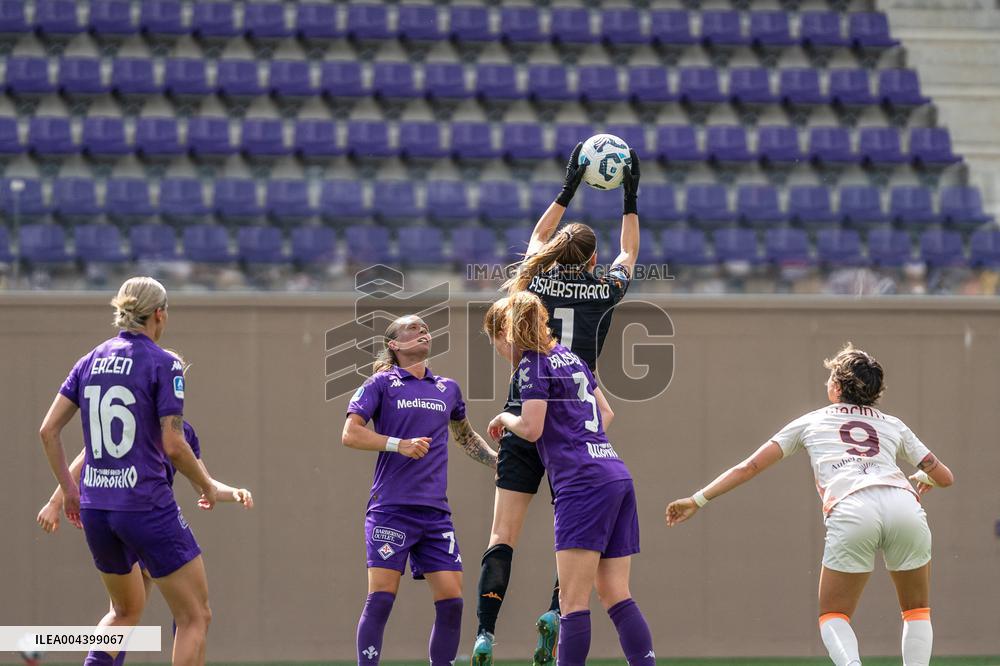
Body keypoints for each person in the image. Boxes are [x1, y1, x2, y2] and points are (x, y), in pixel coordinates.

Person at [666, 344, 954, 666]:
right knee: (916, 611)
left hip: (852, 507)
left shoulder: (811, 422)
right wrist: (924, 479)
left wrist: (698, 499)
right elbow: (945, 477)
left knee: (834, 615)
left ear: (837, 386)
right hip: (903, 503)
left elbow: (749, 467)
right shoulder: (894, 424)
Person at [473, 143, 641, 666]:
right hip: (575, 419)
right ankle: (554, 611)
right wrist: (629, 195)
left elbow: (539, 238)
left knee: (503, 532)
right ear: (592, 260)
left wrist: (569, 187)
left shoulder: (533, 279)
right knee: (577, 529)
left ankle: (485, 632)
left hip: (526, 408)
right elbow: (629, 253)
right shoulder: (603, 287)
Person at [38, 277, 219, 666]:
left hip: (96, 508)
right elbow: (174, 445)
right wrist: (207, 486)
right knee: (195, 616)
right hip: (144, 505)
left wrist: (69, 492)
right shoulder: (164, 362)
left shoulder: (90, 359)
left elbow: (48, 431)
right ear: (159, 314)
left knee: (123, 614)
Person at [36, 350, 254, 666]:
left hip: (109, 518)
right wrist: (55, 502)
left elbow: (203, 482)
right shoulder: (163, 431)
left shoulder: (175, 430)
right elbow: (84, 461)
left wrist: (234, 493)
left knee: (124, 613)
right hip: (149, 518)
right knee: (193, 613)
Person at [484, 292, 656, 666]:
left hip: (582, 484)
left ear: (506, 333)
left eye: (494, 340)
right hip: (613, 472)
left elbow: (530, 427)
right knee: (615, 593)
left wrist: (503, 419)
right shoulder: (571, 358)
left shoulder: (532, 364)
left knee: (571, 604)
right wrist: (579, 437)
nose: (497, 350)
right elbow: (606, 411)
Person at [342, 314, 498, 666]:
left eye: (425, 328)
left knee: (452, 600)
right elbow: (350, 433)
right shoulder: (381, 384)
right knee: (381, 597)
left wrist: (496, 461)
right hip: (391, 509)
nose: (422, 331)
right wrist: (399, 444)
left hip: (434, 513)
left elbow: (465, 436)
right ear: (394, 345)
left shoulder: (448, 388)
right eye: (412, 328)